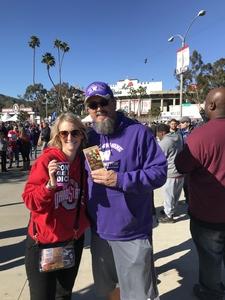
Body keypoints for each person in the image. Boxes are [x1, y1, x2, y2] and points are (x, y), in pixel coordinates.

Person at [84, 81, 167, 300]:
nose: (99, 108)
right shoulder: (89, 138)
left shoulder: (138, 133)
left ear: (113, 102)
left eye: (104, 102)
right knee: (110, 290)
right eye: (93, 105)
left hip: (132, 232)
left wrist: (121, 179)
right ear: (88, 110)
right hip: (100, 232)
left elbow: (159, 173)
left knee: (139, 294)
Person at [22, 112, 90, 300]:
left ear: (82, 134)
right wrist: (49, 186)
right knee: (42, 296)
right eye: (64, 133)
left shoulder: (87, 161)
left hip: (71, 241)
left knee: (63, 295)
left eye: (75, 132)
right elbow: (30, 200)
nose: (70, 137)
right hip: (43, 243)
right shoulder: (47, 161)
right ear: (57, 136)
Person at [175, 87, 225, 300]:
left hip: (208, 215)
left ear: (212, 105)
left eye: (205, 102)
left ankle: (212, 292)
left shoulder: (200, 135)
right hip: (210, 214)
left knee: (210, 259)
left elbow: (182, 165)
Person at [156, 124, 184, 223]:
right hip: (180, 171)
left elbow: (159, 157)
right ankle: (172, 211)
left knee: (168, 196)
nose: (158, 136)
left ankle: (169, 216)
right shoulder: (178, 137)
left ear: (162, 132)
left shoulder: (164, 142)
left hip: (170, 172)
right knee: (175, 195)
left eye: (158, 134)